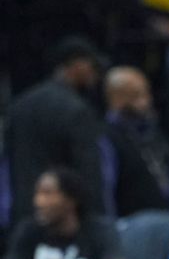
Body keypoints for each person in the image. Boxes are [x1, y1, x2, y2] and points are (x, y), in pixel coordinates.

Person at [5, 37, 106, 226]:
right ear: (77, 64)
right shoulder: (76, 109)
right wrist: (95, 220)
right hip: (63, 218)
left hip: (22, 213)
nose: (96, 75)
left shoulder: (20, 105)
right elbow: (89, 171)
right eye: (92, 66)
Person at [102, 67, 169, 216]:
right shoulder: (107, 137)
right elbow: (106, 187)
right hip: (130, 221)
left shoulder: (152, 130)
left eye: (147, 93)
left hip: (166, 216)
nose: (146, 101)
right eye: (136, 95)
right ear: (117, 98)